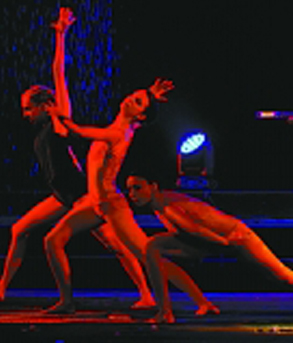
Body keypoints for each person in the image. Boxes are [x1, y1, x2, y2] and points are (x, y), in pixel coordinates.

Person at [0, 8, 154, 308]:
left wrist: (60, 35)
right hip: (62, 195)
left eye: (28, 108)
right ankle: (3, 289)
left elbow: (59, 73)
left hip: (82, 195)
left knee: (115, 243)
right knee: (19, 230)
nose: (25, 114)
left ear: (44, 105)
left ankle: (147, 294)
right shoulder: (43, 129)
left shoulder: (60, 121)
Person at [42, 79, 215, 318]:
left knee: (148, 256)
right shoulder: (123, 127)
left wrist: (57, 114)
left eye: (137, 101)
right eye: (133, 95)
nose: (130, 99)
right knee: (53, 239)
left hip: (111, 206)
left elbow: (78, 131)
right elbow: (137, 113)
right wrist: (150, 95)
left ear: (140, 115)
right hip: (95, 203)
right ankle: (67, 301)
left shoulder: (117, 133)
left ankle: (201, 301)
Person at [124, 172, 293, 324]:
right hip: (212, 242)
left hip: (235, 238)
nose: (133, 194)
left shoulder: (167, 205)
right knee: (153, 247)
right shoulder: (159, 206)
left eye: (138, 188)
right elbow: (191, 234)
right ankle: (168, 311)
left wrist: (224, 242)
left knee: (284, 276)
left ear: (153, 186)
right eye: (130, 189)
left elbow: (194, 229)